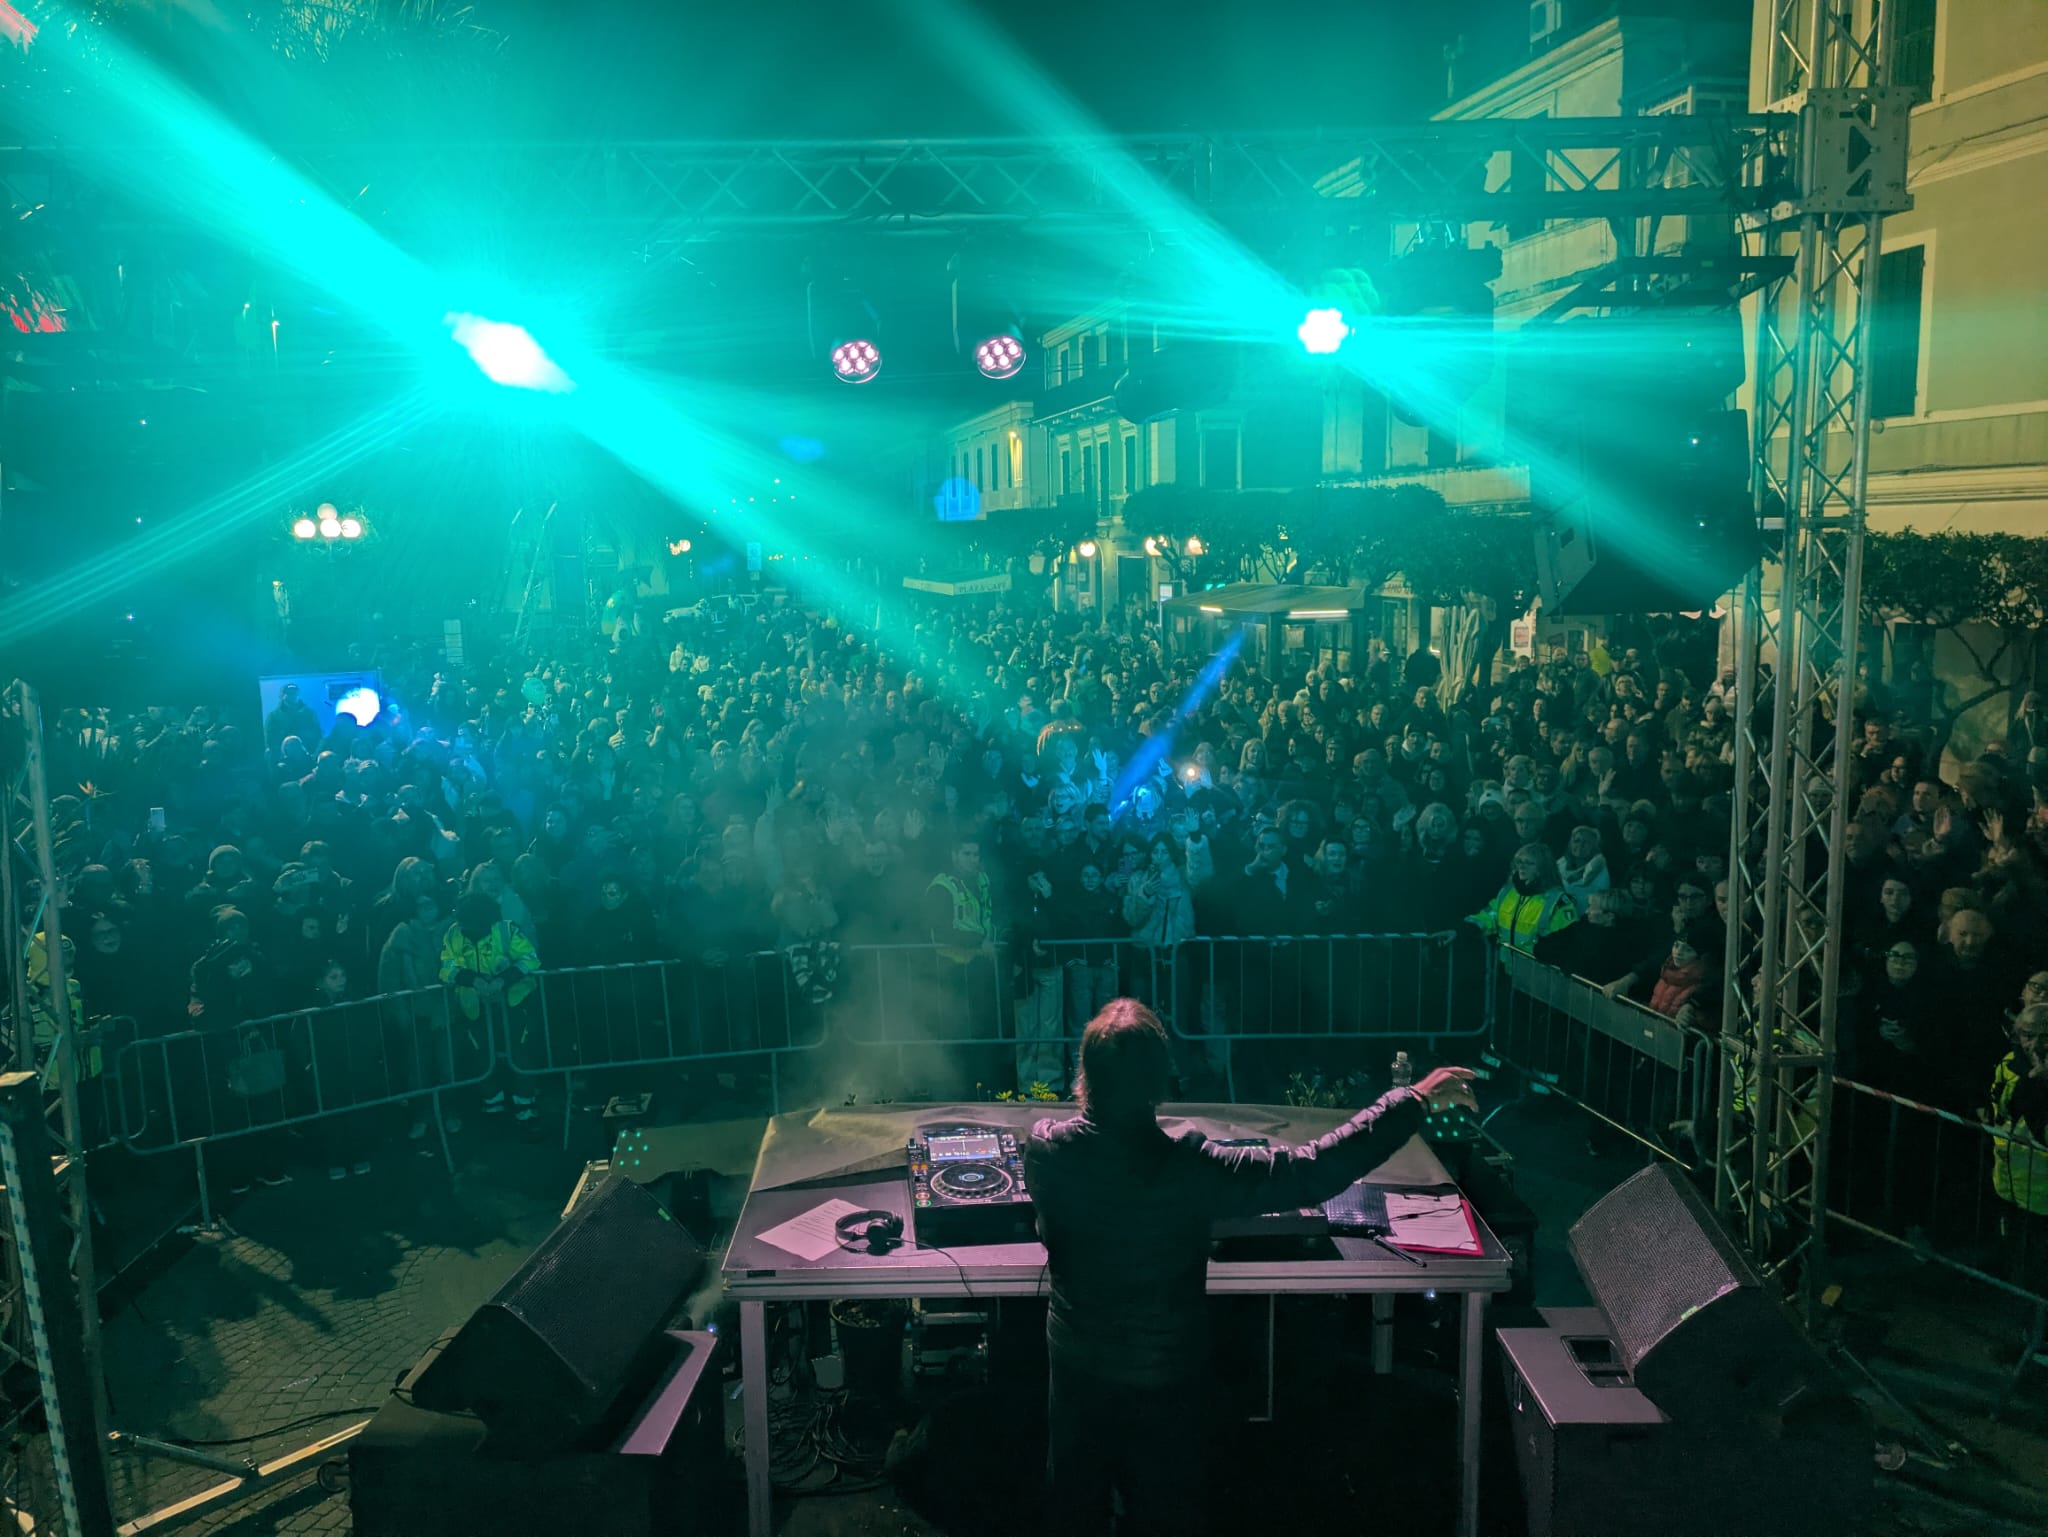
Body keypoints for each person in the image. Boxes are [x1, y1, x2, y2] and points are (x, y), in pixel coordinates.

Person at [1025, 999, 1477, 1537]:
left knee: (1073, 1510)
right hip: (1165, 1375)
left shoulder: (1045, 1150)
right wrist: (1411, 1099)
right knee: (1166, 1514)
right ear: (1159, 1080)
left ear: (1084, 1075)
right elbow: (1312, 1169)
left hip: (1077, 1372)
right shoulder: (1191, 1167)